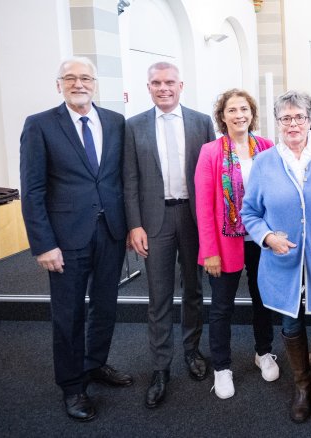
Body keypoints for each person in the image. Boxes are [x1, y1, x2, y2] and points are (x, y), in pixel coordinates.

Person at [20, 57, 133, 422]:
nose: (79, 83)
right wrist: (43, 244)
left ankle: (94, 363)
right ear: (59, 85)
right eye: (70, 78)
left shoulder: (115, 122)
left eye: (85, 78)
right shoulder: (39, 125)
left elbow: (119, 179)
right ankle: (72, 386)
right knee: (68, 314)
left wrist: (131, 226)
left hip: (110, 232)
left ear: (95, 83)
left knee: (105, 305)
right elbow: (32, 190)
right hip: (65, 239)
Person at [241, 91, 311, 434]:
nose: (293, 124)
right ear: (277, 123)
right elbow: (249, 212)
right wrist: (268, 238)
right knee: (290, 327)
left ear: (310, 120)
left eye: (299, 117)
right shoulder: (264, 163)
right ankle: (301, 388)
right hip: (282, 264)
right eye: (286, 118)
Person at [122, 62, 215, 409]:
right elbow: (129, 180)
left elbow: (211, 175)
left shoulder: (201, 122)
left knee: (193, 289)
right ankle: (161, 367)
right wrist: (134, 225)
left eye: (170, 82)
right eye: (156, 83)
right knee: (158, 296)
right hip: (154, 221)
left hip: (193, 217)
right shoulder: (133, 127)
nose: (164, 88)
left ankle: (192, 352)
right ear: (148, 87)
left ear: (181, 85)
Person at [195, 89, 278, 400]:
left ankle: (264, 352)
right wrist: (209, 252)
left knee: (263, 300)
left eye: (244, 109)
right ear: (223, 116)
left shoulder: (268, 148)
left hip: (262, 240)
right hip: (225, 242)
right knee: (221, 308)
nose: (239, 114)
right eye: (232, 110)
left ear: (252, 113)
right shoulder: (211, 152)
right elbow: (203, 208)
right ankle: (222, 367)